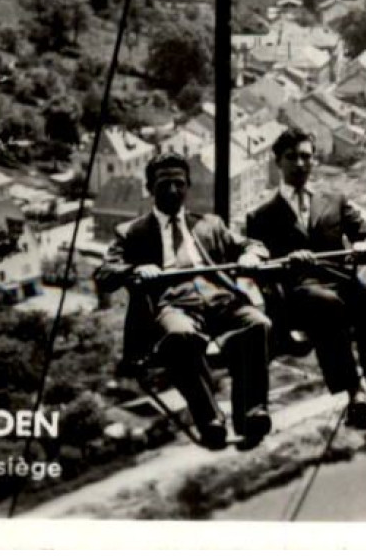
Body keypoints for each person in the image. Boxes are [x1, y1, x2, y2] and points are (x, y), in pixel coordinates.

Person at [94, 152, 273, 450]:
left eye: (179, 183)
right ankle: (209, 420)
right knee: (180, 336)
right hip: (172, 303)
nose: (173, 191)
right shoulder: (132, 233)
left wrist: (249, 255)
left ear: (188, 186)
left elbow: (250, 244)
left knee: (258, 324)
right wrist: (136, 270)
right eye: (164, 184)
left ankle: (252, 412)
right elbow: (105, 274)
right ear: (150, 188)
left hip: (218, 297)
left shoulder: (209, 225)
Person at [247, 127, 366, 426]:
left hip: (340, 281)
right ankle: (354, 390)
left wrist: (363, 243)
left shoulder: (334, 201)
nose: (300, 164)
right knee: (325, 303)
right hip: (299, 293)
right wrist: (287, 260)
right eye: (292, 157)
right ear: (278, 162)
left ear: (314, 160)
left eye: (306, 157)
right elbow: (257, 255)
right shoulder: (262, 216)